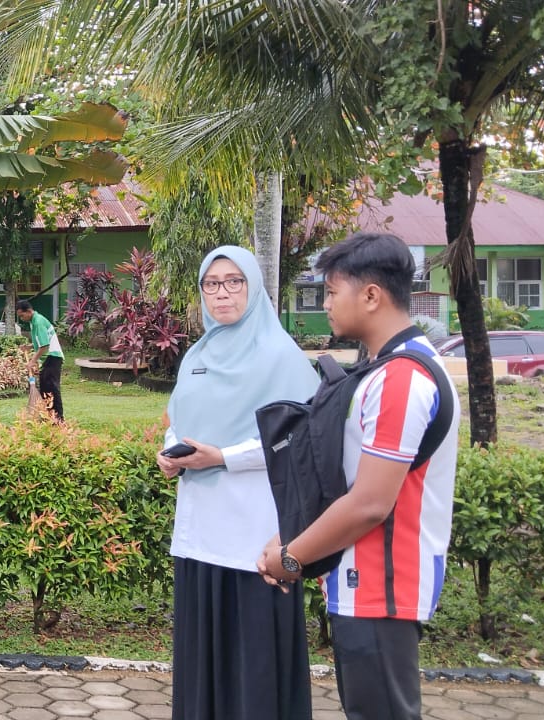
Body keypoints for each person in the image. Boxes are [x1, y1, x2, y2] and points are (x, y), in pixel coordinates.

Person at [258, 233, 459, 720]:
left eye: (331, 291)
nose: (326, 303)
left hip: (382, 588)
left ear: (371, 295)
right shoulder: (383, 370)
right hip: (363, 585)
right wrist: (291, 538)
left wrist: (292, 557)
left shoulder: (402, 379)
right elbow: (344, 483)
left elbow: (370, 502)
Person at [158, 246, 319, 720]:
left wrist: (223, 457)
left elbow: (298, 439)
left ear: (253, 287)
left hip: (254, 536)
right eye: (211, 284)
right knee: (203, 650)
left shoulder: (280, 356)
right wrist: (171, 452)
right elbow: (179, 418)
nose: (221, 293)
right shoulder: (198, 354)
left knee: (253, 656)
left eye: (234, 281)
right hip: (200, 528)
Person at [16, 299, 65, 420]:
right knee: (45, 387)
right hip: (49, 358)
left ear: (28, 311)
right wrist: (30, 346)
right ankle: (49, 416)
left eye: (22, 315)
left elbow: (44, 346)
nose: (21, 319)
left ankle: (58, 418)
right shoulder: (33, 321)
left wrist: (32, 362)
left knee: (51, 388)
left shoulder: (38, 321)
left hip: (53, 357)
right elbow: (41, 342)